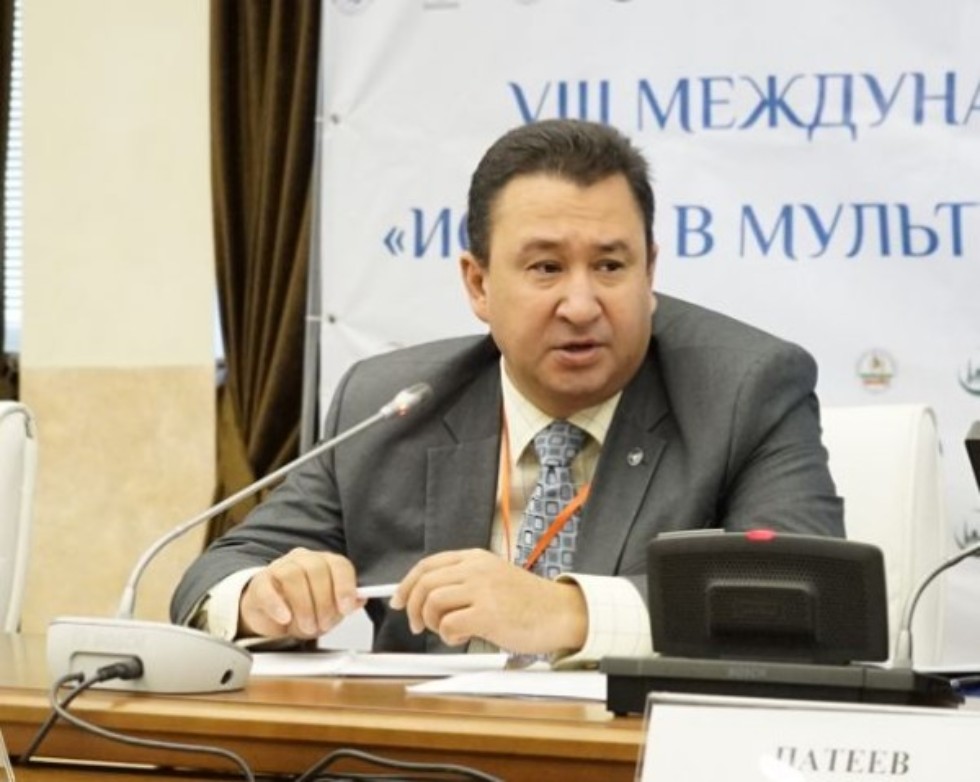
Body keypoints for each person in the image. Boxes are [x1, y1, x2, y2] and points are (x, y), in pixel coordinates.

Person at [171, 119, 844, 666]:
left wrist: (567, 612)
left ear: (650, 273)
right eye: (546, 267)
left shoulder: (745, 390)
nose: (581, 304)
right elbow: (214, 577)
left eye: (611, 265)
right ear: (478, 284)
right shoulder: (393, 405)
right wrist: (265, 597)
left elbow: (808, 599)